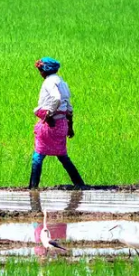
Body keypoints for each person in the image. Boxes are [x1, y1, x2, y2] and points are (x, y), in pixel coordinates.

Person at [29, 57, 86, 189]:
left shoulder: (49, 82)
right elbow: (69, 107)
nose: (40, 73)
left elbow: (57, 98)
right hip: (62, 125)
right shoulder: (62, 82)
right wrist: (70, 127)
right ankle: (79, 184)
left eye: (40, 70)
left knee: (38, 156)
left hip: (50, 125)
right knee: (62, 155)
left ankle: (33, 187)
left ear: (44, 70)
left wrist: (48, 114)